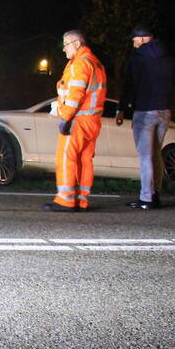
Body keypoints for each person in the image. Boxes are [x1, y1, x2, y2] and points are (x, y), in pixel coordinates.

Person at [44, 30, 107, 212]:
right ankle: (81, 200)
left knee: (66, 158)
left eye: (66, 44)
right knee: (84, 160)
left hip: (77, 120)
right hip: (93, 121)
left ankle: (66, 199)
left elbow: (75, 96)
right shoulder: (96, 63)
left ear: (77, 43)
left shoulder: (79, 64)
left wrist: (66, 117)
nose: (64, 49)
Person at [116, 25, 175, 209]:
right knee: (156, 154)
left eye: (134, 39)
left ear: (142, 38)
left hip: (145, 111)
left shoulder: (138, 59)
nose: (133, 43)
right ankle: (155, 194)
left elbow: (130, 85)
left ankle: (146, 198)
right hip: (164, 111)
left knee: (145, 156)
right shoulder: (167, 57)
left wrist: (122, 108)